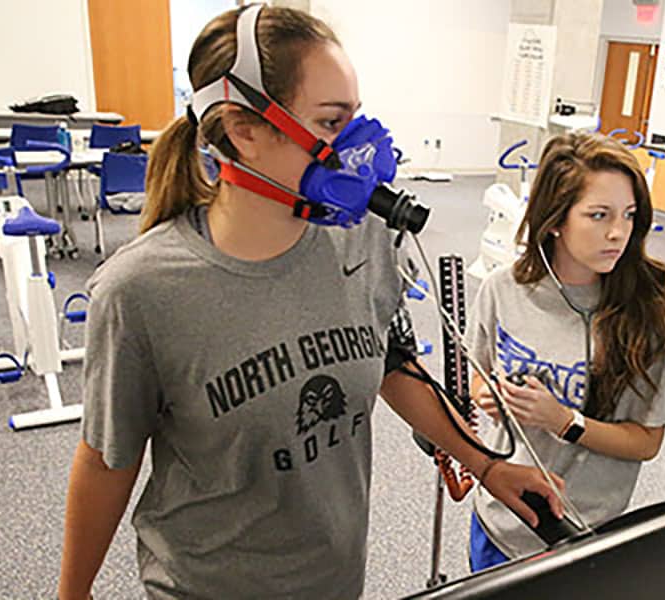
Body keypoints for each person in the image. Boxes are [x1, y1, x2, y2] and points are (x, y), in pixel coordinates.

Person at [56, 6, 561, 599]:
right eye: (330, 123)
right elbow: (106, 459)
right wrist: (73, 593)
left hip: (333, 579)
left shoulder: (364, 237)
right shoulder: (142, 292)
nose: (356, 147)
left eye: (355, 117)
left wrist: (487, 464)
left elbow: (389, 363)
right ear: (243, 129)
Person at [464, 132, 665, 571]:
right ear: (555, 219)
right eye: (598, 215)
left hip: (583, 534)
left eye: (628, 216)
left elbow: (646, 442)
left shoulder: (645, 313)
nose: (618, 233)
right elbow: (479, 376)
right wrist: (485, 393)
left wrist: (563, 421)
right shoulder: (503, 290)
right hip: (502, 520)